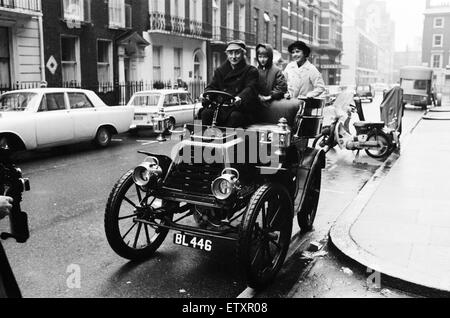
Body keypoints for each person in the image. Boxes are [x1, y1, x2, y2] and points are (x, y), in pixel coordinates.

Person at [201, 40, 259, 128]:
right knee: (206, 113)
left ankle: (229, 140)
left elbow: (250, 88)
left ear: (243, 54)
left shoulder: (251, 71)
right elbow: (212, 86)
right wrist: (206, 94)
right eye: (230, 53)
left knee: (234, 117)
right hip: (222, 108)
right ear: (227, 55)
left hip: (241, 109)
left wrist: (240, 97)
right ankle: (205, 139)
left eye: (237, 53)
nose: (233, 57)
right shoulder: (220, 71)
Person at [255, 43, 288, 108]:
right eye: (260, 57)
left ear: (270, 57)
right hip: (257, 103)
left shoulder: (276, 71)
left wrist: (269, 97)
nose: (262, 60)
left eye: (265, 57)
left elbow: (282, 88)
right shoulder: (255, 70)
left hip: (273, 103)